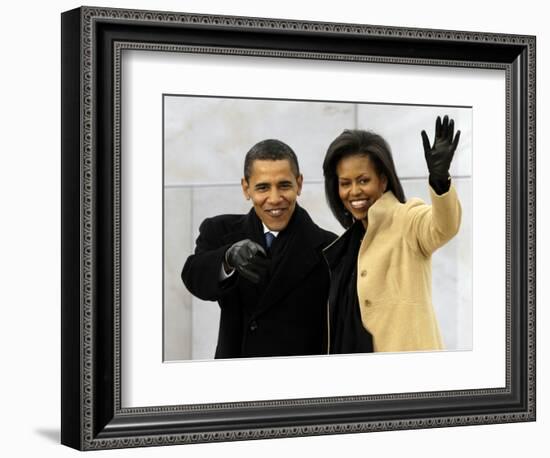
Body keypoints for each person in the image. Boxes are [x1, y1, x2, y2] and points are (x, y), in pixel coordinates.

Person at [181, 139, 337, 359]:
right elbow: (194, 277)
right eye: (263, 187)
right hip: (237, 380)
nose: (274, 199)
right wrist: (228, 258)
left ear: (299, 184)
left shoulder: (331, 247)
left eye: (284, 185)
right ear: (246, 188)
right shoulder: (219, 231)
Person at [322, 115, 462, 353]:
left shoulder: (406, 219)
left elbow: (442, 227)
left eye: (363, 180)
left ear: (383, 180)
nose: (354, 191)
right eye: (345, 183)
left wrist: (440, 180)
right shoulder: (348, 244)